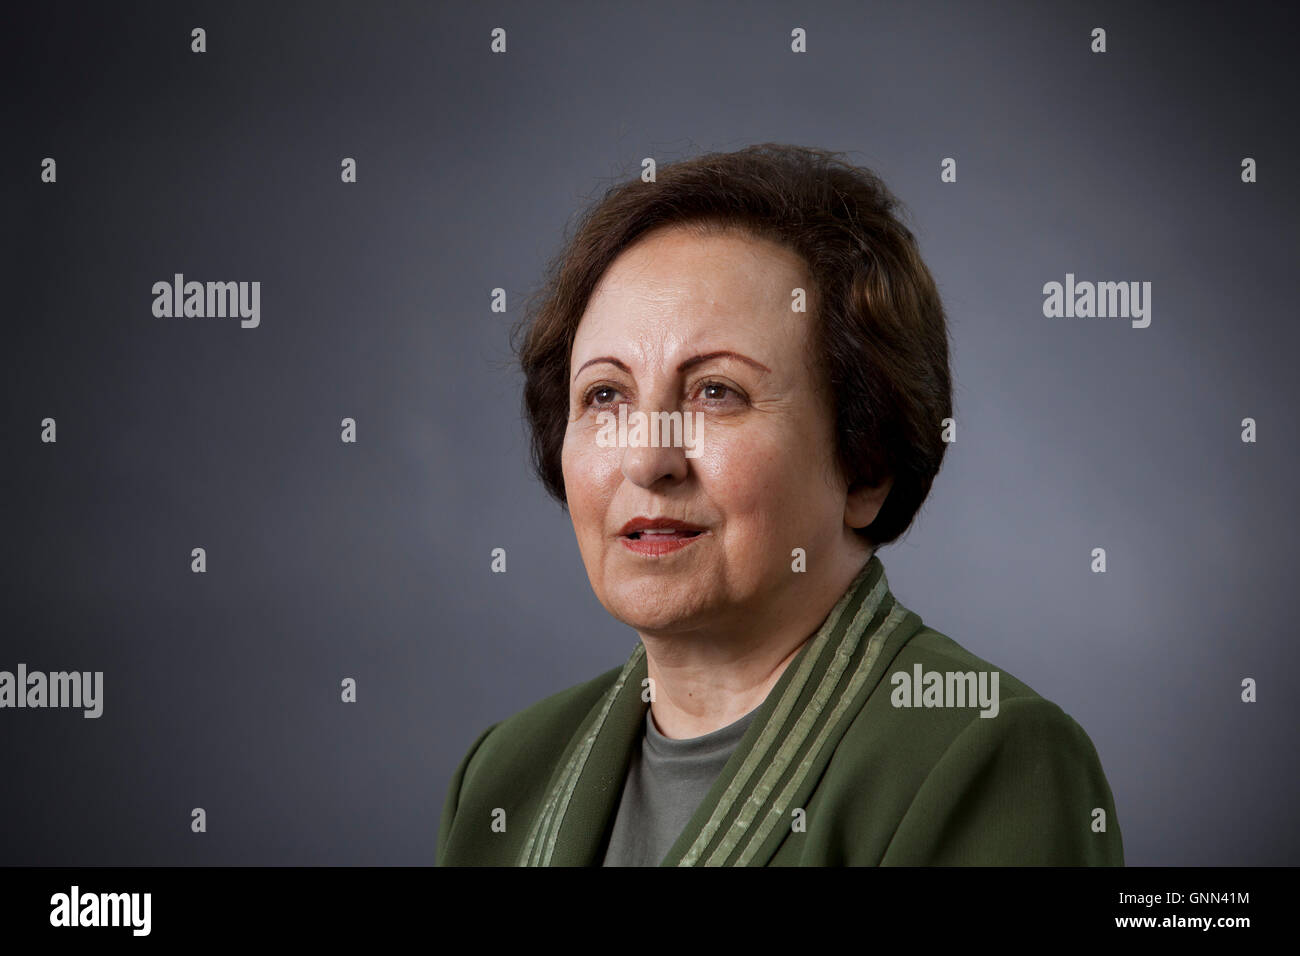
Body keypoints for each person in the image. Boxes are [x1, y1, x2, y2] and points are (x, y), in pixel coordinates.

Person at [436, 143, 1123, 866]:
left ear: (866, 466)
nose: (647, 458)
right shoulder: (505, 775)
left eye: (716, 393)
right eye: (605, 395)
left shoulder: (989, 757)